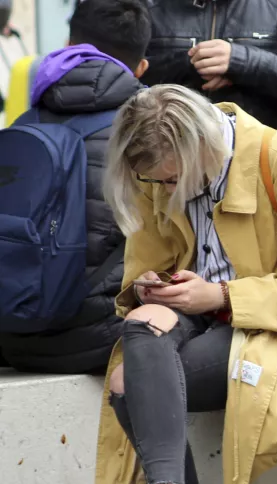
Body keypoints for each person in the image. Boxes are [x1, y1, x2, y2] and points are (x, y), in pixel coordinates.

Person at [92, 84, 277, 484]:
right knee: (142, 321)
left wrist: (221, 295)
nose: (165, 190)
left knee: (129, 383)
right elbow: (145, 264)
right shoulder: (156, 172)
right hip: (193, 318)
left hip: (274, 330)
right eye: (156, 182)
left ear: (204, 148)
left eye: (173, 180)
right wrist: (151, 285)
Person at [0, 0, 150, 373]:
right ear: (142, 67)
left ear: (69, 46)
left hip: (10, 333)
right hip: (99, 337)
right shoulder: (150, 131)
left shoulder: (24, 121)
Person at [141, 0, 277, 134]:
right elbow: (122, 79)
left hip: (260, 172)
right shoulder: (144, 6)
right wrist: (191, 66)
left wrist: (246, 63)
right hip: (163, 169)